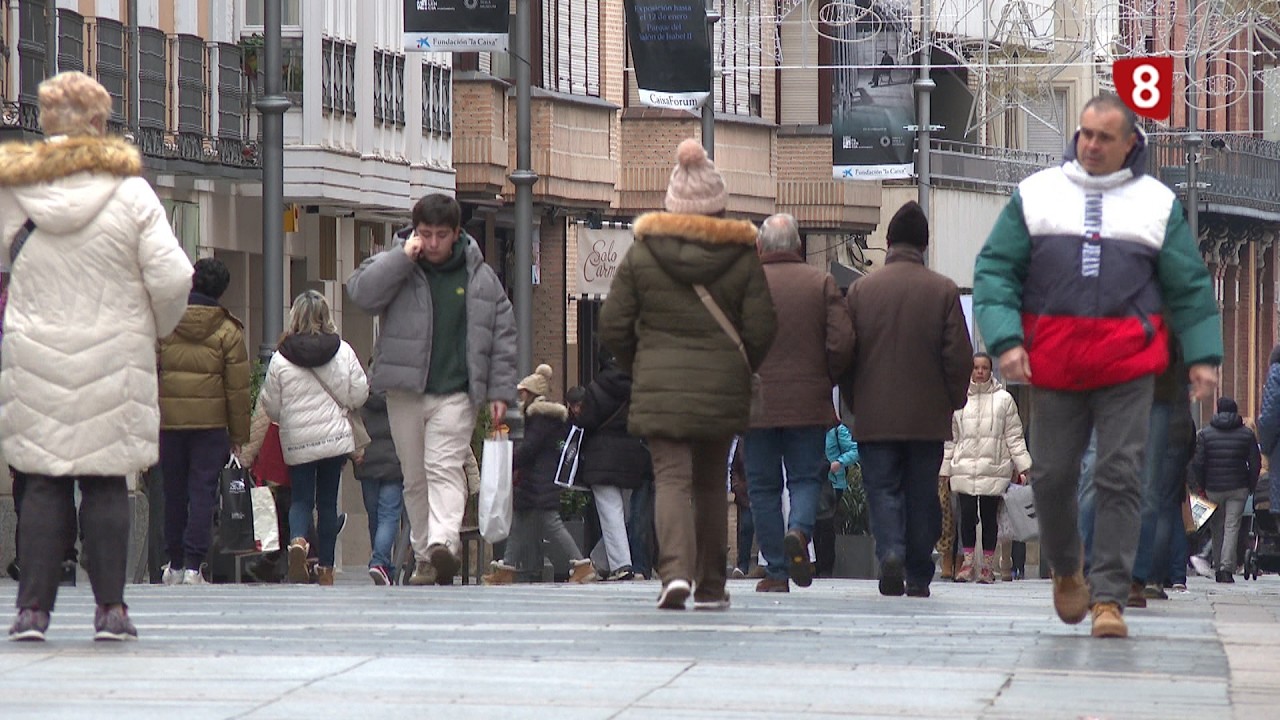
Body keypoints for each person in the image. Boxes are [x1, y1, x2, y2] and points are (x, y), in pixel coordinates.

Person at [973, 93, 1221, 638]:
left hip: (1128, 367)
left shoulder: (1156, 203)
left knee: (1119, 476)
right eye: (1085, 133)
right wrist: (1006, 340)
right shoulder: (1037, 195)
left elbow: (1189, 286)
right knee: (1051, 476)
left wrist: (1203, 356)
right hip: (1056, 365)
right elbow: (995, 271)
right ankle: (1068, 569)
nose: (1090, 144)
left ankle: (1109, 597)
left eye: (1104, 137)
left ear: (1130, 144)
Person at [0, 71, 195, 641]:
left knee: (42, 480)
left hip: (35, 354)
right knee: (107, 481)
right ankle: (111, 610)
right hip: (115, 355)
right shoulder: (131, 192)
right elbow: (173, 276)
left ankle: (32, 612)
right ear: (99, 122)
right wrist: (154, 327)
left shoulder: (16, 190)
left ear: (46, 121)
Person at [600, 138, 777, 610]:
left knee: (671, 480)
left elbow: (612, 324)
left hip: (660, 388)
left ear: (672, 203)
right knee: (710, 484)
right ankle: (712, 585)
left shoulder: (643, 254)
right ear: (719, 205)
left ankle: (675, 574)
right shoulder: (741, 256)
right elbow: (763, 327)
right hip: (721, 388)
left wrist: (640, 364)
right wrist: (740, 366)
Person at [347, 193, 517, 586]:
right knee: (414, 476)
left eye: (442, 234)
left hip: (456, 391)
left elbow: (502, 334)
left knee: (443, 466)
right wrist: (402, 258)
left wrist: (499, 391)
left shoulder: (480, 278)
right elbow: (362, 294)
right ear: (415, 231)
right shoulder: (398, 263)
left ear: (457, 233)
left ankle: (442, 542)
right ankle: (426, 557)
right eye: (426, 234)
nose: (434, 243)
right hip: (404, 390)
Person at [838, 200, 973, 599]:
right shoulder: (943, 290)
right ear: (924, 244)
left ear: (889, 240)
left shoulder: (861, 291)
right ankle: (917, 571)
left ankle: (891, 551)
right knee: (921, 492)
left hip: (875, 416)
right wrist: (953, 400)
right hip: (926, 419)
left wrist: (855, 399)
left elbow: (844, 352)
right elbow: (958, 356)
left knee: (882, 489)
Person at [745, 213, 854, 593]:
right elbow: (842, 342)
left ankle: (776, 571)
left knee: (762, 487)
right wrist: (825, 379)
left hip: (755, 403)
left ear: (759, 246)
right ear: (798, 246)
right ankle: (799, 532)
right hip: (808, 402)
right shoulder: (820, 283)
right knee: (805, 478)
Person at [259, 291, 369, 587]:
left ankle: (298, 541)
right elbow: (360, 393)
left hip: (298, 439)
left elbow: (270, 405)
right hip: (334, 438)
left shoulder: (281, 357)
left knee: (301, 499)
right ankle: (326, 569)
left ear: (295, 316)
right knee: (327, 503)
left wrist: (289, 419)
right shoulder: (343, 351)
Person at [157, 257, 252, 585]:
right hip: (211, 428)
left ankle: (174, 564)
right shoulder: (229, 331)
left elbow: (149, 372)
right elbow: (237, 389)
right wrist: (239, 436)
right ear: (222, 290)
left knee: (173, 493)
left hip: (169, 423)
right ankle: (194, 566)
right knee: (203, 493)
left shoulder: (166, 324)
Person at [483, 365, 596, 585]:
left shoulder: (539, 417)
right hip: (537, 480)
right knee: (520, 524)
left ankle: (582, 565)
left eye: (523, 393)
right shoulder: (545, 418)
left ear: (531, 394)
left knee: (551, 523)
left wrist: (508, 461)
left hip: (538, 481)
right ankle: (507, 569)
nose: (520, 398)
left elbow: (530, 449)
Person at [940, 352, 1032, 584]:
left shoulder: (1004, 400)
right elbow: (951, 438)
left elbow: (1014, 436)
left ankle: (987, 568)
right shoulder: (959, 399)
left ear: (991, 371)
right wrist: (944, 469)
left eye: (984, 368)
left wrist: (1023, 465)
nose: (980, 372)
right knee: (967, 516)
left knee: (990, 518)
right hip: (964, 468)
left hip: (994, 468)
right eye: (976, 367)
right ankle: (968, 563)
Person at [575, 354, 649, 581]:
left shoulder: (596, 388)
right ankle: (600, 562)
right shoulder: (638, 387)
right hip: (631, 457)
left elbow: (585, 422)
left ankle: (621, 565)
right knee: (623, 513)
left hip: (602, 458)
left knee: (610, 512)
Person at [1190, 397, 1259, 583]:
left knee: (1217, 527)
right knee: (1232, 526)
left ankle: (1217, 563)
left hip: (1213, 488)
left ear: (1218, 410)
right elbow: (1255, 462)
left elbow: (1198, 463)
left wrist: (1202, 485)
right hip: (1239, 487)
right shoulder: (1246, 434)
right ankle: (1226, 569)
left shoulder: (1205, 434)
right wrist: (1251, 484)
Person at [355, 387, 404, 586]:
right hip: (394, 464)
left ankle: (384, 565)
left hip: (367, 464)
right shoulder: (399, 399)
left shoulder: (362, 399)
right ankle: (380, 561)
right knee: (389, 516)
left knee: (374, 516)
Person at [817, 415, 859, 578]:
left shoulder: (837, 430)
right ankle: (815, 564)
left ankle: (826, 567)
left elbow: (855, 450)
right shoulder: (811, 430)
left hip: (833, 484)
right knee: (813, 524)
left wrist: (839, 462)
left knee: (826, 524)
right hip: (813, 482)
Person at [729, 437, 754, 579]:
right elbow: (735, 469)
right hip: (745, 494)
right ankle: (742, 565)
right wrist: (737, 487)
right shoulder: (742, 442)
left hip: (764, 491)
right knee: (746, 527)